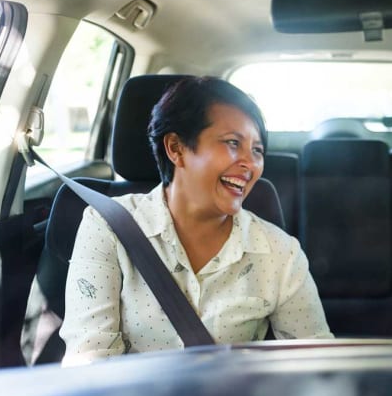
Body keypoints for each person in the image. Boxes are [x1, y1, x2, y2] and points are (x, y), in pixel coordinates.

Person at [61, 76, 332, 364]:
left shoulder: (281, 253)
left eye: (257, 150)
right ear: (176, 148)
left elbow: (315, 365)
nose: (250, 164)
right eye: (232, 143)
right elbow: (89, 361)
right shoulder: (106, 227)